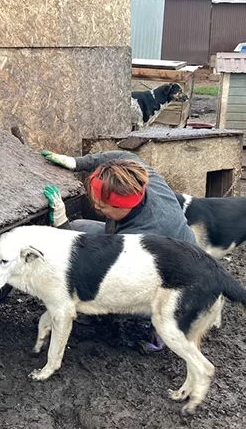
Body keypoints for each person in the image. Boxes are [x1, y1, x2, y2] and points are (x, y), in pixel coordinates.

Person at [41, 149, 196, 351]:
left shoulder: (140, 238)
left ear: (123, 206)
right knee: (79, 227)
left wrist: (61, 223)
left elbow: (88, 263)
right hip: (157, 256)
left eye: (102, 206)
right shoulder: (141, 178)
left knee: (93, 281)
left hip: (179, 291)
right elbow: (120, 156)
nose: (96, 206)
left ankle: (169, 327)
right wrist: (76, 162)